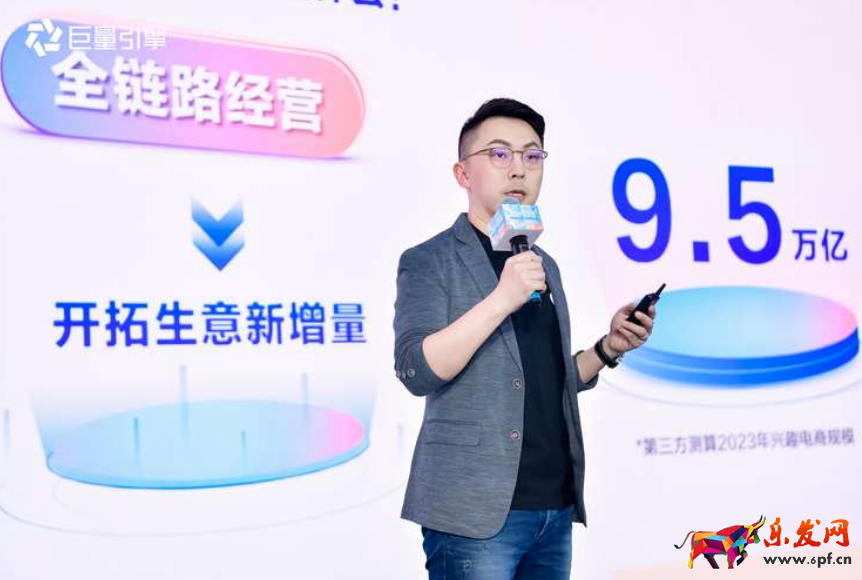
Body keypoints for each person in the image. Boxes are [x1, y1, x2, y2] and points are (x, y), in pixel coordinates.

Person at [393, 98, 657, 580]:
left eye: (532, 156)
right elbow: (416, 369)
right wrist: (501, 299)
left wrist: (608, 348)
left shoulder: (541, 262)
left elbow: (545, 377)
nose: (518, 169)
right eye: (499, 154)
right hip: (473, 513)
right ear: (462, 173)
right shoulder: (430, 260)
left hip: (553, 507)